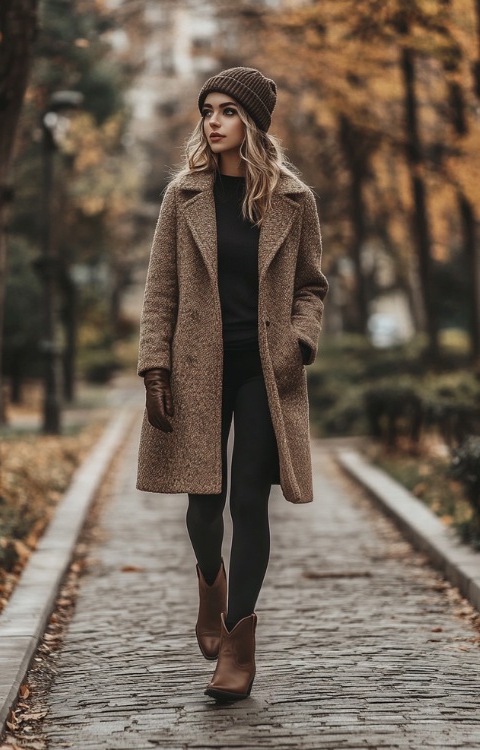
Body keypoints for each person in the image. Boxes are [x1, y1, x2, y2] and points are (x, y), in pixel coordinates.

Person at [137, 67, 328, 701]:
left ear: (252, 123)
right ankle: (210, 582)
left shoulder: (293, 200)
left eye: (226, 111)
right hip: (196, 366)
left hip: (265, 370)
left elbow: (311, 286)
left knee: (249, 502)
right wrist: (154, 367)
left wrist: (299, 341)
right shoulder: (183, 195)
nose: (212, 121)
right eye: (207, 110)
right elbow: (160, 287)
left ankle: (239, 648)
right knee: (201, 501)